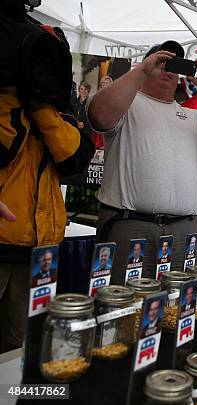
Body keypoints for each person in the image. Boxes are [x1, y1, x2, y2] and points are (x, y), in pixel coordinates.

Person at [88, 40, 197, 283]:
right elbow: (99, 114)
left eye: (174, 65)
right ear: (147, 64)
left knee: (180, 310)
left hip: (184, 229)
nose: (168, 70)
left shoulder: (192, 116)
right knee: (123, 308)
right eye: (161, 62)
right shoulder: (127, 103)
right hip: (131, 225)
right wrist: (141, 71)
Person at [0, 8, 94, 353]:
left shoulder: (54, 111)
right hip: (5, 239)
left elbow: (75, 161)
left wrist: (42, 108)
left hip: (38, 249)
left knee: (24, 349)